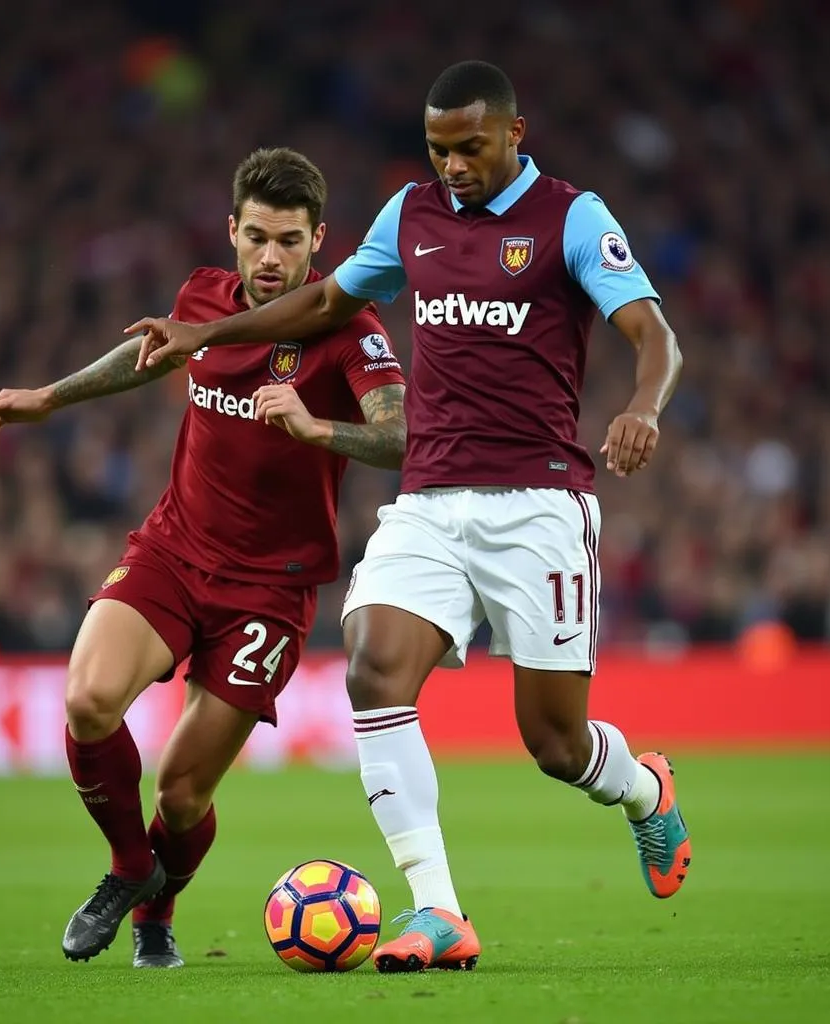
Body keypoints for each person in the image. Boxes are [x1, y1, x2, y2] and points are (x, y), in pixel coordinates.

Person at [126, 61, 689, 974]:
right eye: (439, 149)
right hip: (429, 498)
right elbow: (323, 300)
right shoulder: (410, 214)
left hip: (539, 502)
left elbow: (655, 335)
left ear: (514, 132)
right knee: (373, 671)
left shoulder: (572, 218)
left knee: (552, 742)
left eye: (470, 147)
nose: (454, 165)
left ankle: (642, 788)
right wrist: (205, 334)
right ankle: (438, 912)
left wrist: (644, 408)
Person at [0, 148, 407, 968]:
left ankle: (154, 916)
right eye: (256, 237)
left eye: (289, 239)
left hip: (269, 592)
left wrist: (320, 429)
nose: (271, 257)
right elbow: (146, 355)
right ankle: (128, 869)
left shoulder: (353, 330)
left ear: (320, 241)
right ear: (231, 233)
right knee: (89, 700)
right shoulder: (201, 298)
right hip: (174, 548)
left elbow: (398, 434)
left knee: (181, 792)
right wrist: (49, 397)